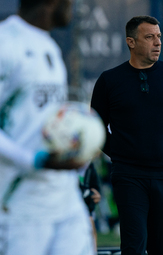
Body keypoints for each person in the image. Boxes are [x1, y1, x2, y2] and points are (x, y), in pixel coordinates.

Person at [0, 0, 94, 254]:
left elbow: (45, 122)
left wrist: (78, 148)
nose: (72, 8)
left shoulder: (48, 44)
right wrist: (35, 160)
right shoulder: (6, 43)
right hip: (20, 200)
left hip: (63, 194)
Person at [91, 15, 163, 255]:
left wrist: (162, 150)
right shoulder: (109, 80)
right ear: (131, 42)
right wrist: (123, 154)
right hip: (128, 175)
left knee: (162, 249)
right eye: (149, 37)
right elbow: (95, 127)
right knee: (133, 247)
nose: (157, 43)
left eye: (159, 37)